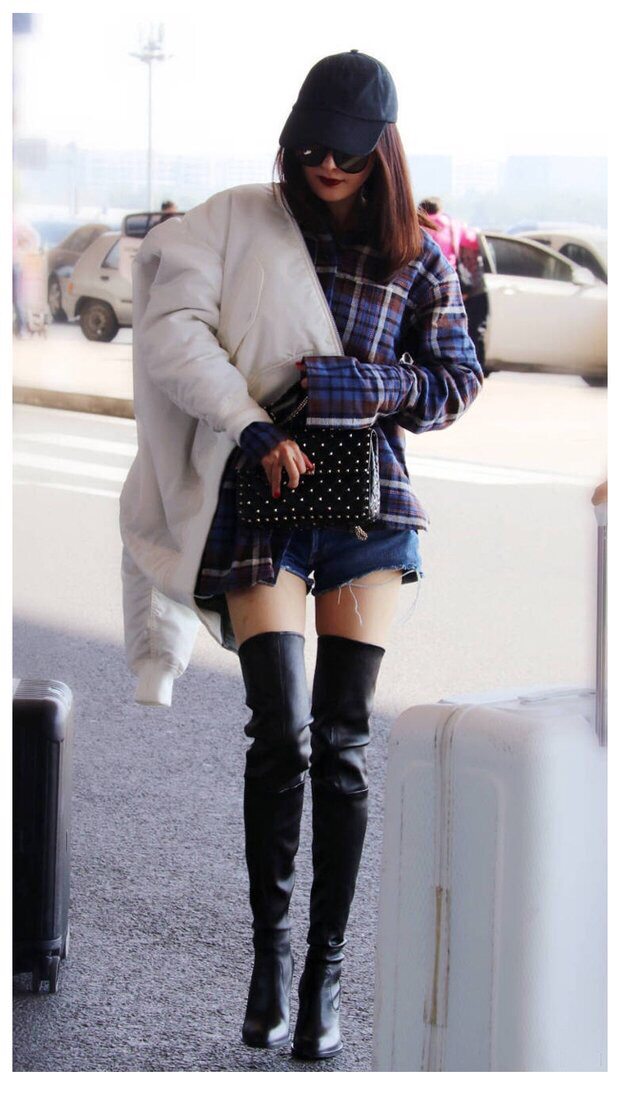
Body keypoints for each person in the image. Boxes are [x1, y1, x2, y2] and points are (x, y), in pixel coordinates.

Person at [120, 50, 482, 1061]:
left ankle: (325, 970)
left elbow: (455, 380)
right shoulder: (251, 224)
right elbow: (175, 325)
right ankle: (270, 960)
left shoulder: (418, 258)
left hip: (367, 504)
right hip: (264, 501)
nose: (326, 165)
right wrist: (251, 424)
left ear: (383, 154)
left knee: (343, 742)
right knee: (278, 734)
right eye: (311, 146)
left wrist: (358, 387)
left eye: (347, 153)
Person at [419, 196, 490, 374]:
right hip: (447, 279)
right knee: (450, 327)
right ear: (439, 210)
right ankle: (457, 368)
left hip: (420, 279)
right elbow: (473, 241)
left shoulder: (416, 223)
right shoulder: (453, 224)